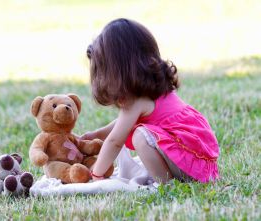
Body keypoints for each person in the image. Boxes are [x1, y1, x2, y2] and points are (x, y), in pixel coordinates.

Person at [81, 18, 220, 183]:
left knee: (141, 136)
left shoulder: (136, 99)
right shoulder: (151, 87)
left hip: (189, 165)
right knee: (143, 133)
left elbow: (115, 141)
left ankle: (165, 184)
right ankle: (168, 178)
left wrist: (96, 173)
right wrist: (96, 135)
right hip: (197, 162)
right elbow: (122, 123)